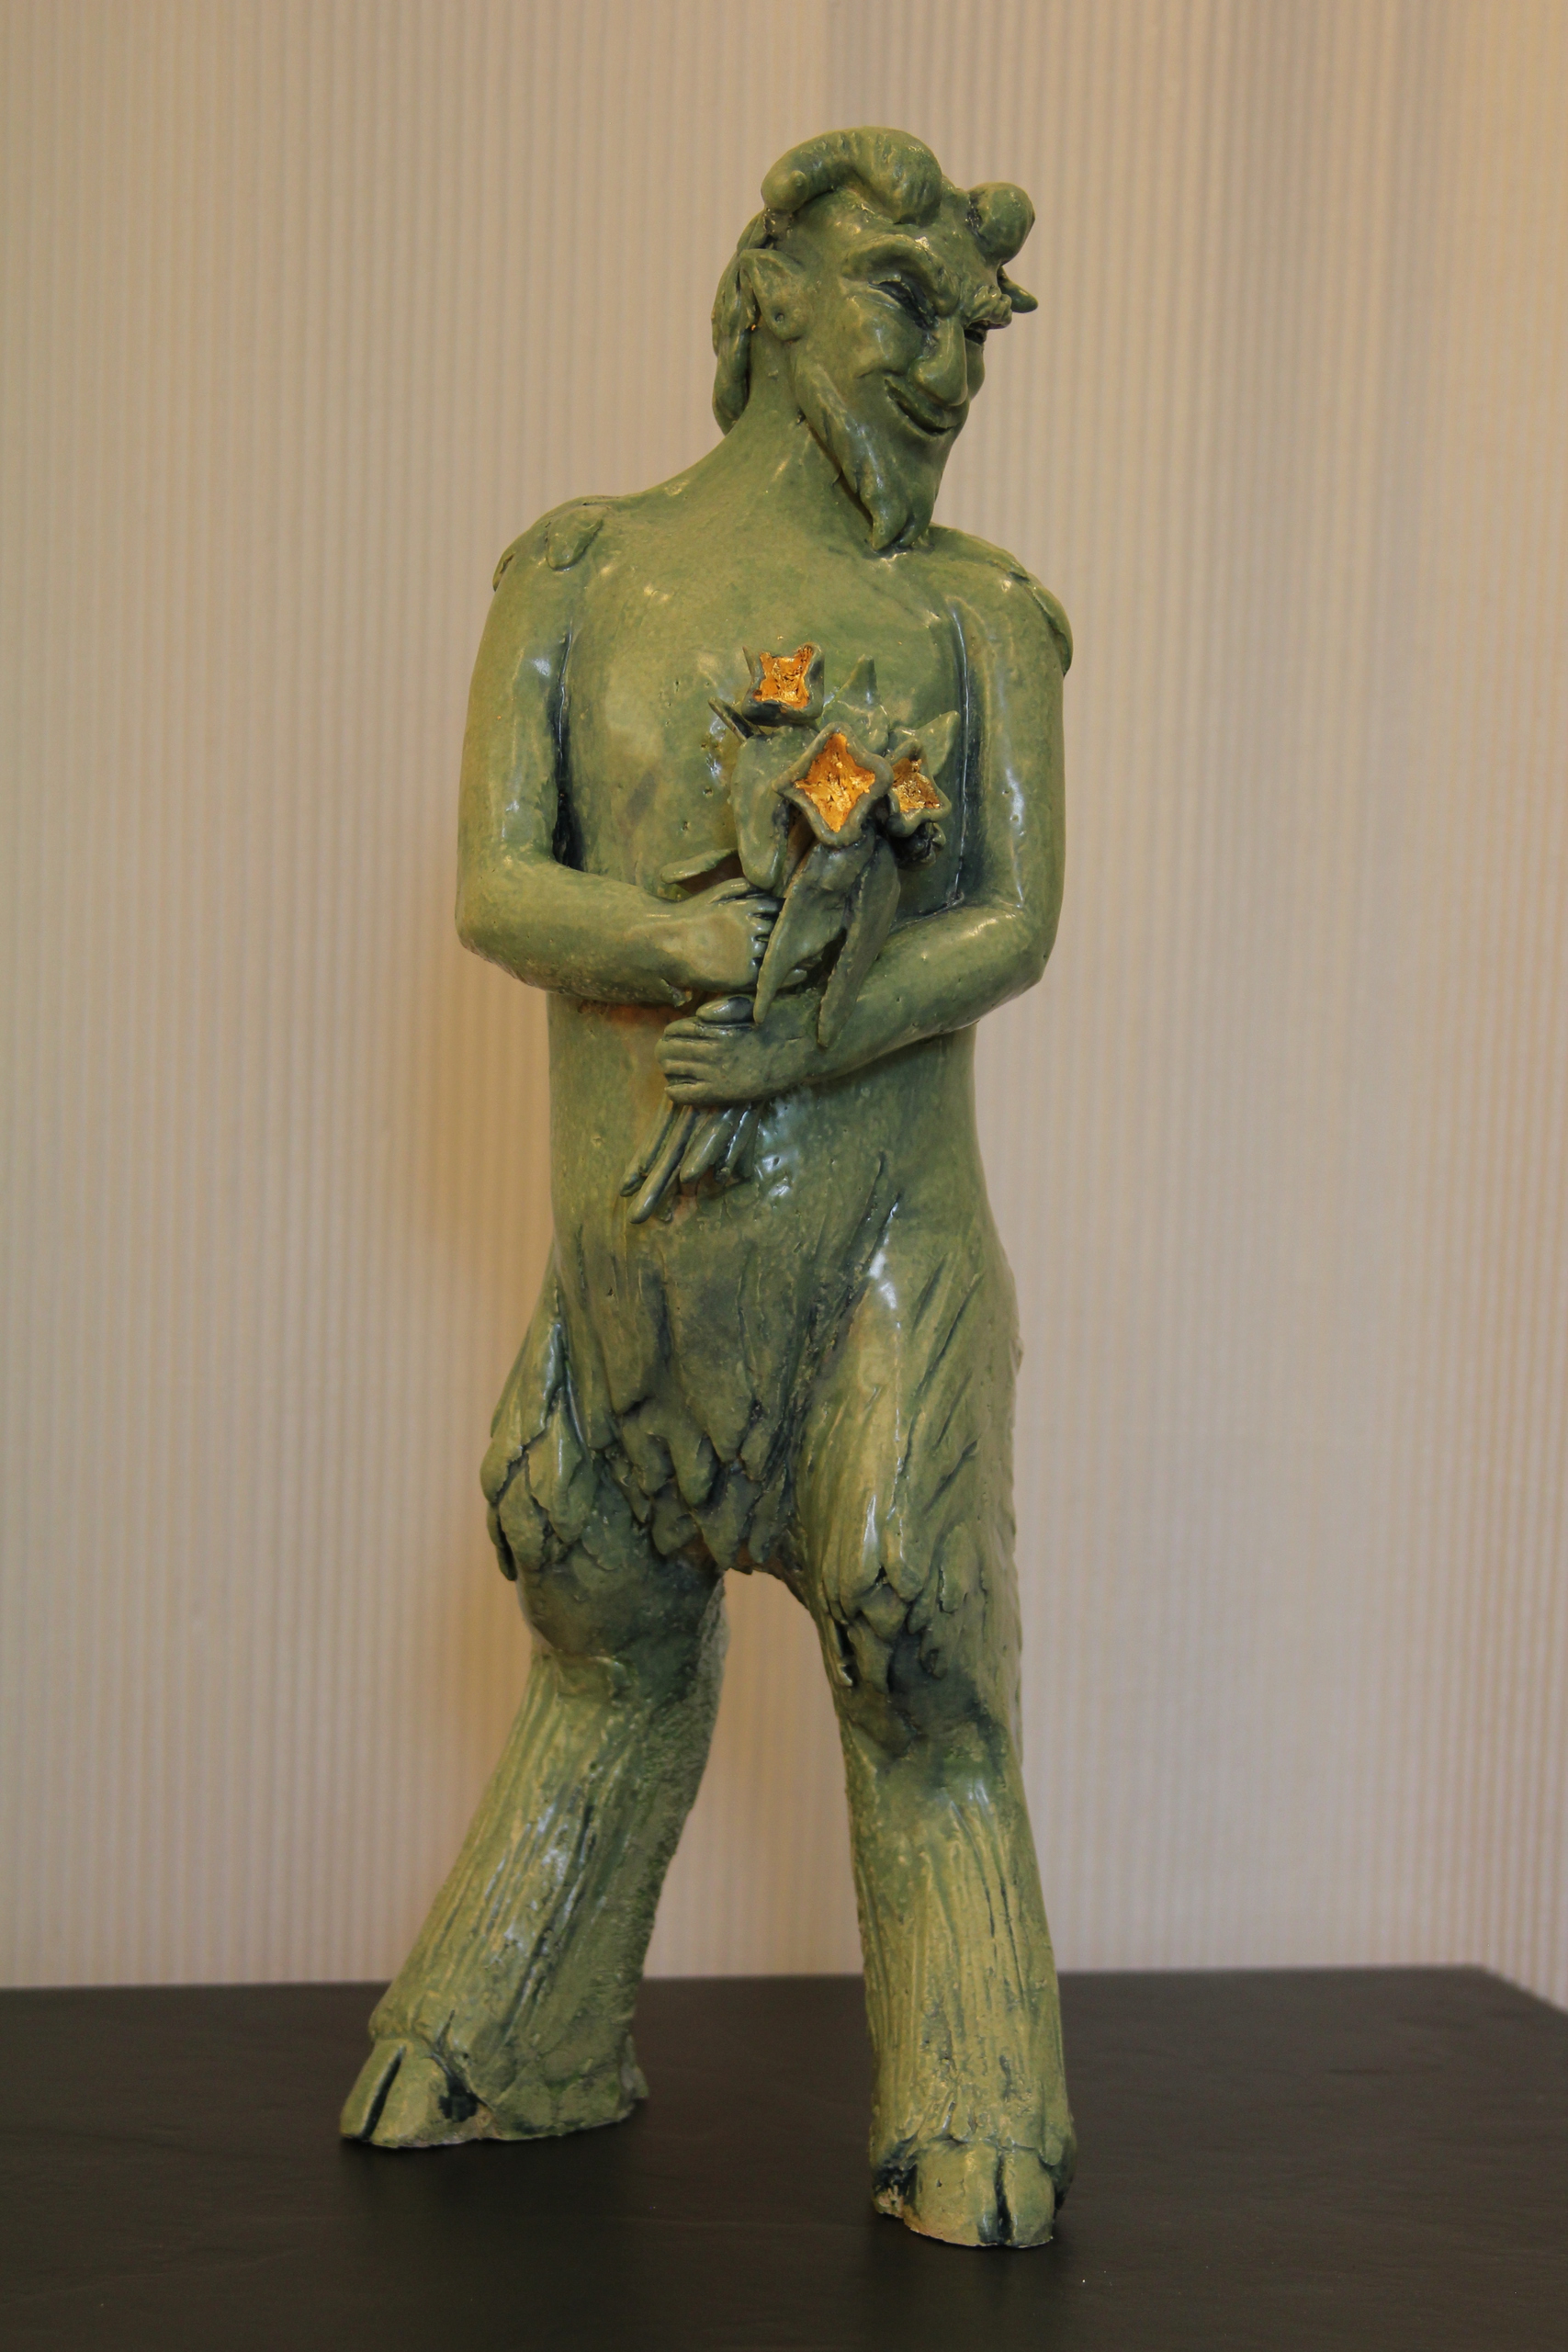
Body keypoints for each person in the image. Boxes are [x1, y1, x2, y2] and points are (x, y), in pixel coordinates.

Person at [341, 126, 1075, 2250]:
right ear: (767, 291)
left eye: (973, 339)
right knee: (593, 1601)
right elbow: (499, 880)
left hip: (872, 1257)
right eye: (905, 306)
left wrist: (803, 1039)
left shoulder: (974, 619)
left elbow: (1010, 921)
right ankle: (514, 2026)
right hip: (632, 1268)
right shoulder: (573, 575)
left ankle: (974, 2093)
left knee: (914, 1634)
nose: (943, 371)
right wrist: (673, 942)